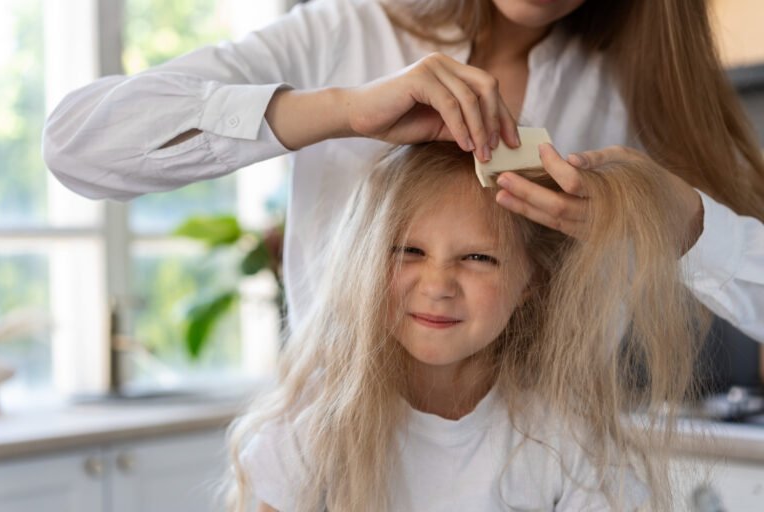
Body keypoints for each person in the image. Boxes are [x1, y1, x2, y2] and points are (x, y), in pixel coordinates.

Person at [42, 0, 764, 342]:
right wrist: (338, 112)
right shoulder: (340, 35)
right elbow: (77, 145)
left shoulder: (637, 96)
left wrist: (690, 226)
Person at [226, 141, 706, 511]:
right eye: (408, 251)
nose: (438, 285)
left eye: (478, 258)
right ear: (364, 261)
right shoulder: (312, 431)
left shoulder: (568, 441)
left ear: (531, 281)